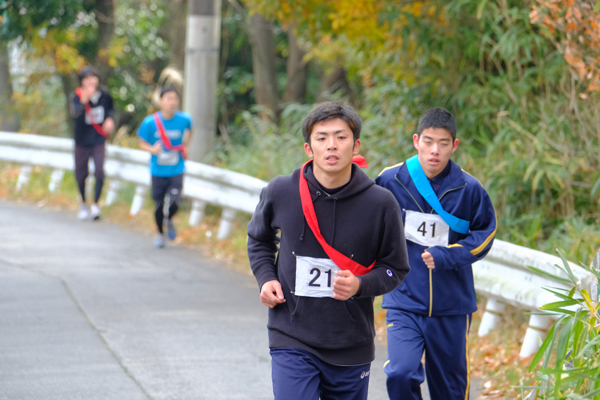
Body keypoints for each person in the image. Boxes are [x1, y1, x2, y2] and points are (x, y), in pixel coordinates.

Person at [247, 101, 410, 400]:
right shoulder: (281, 191)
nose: (331, 145)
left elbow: (395, 267)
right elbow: (259, 239)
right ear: (309, 148)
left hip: (351, 343)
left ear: (356, 145)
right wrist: (266, 277)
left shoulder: (381, 203)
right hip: (291, 334)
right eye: (321, 138)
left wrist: (361, 285)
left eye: (341, 137)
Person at [375, 107, 497, 399]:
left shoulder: (469, 188)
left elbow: (486, 233)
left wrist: (449, 256)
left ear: (454, 146)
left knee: (450, 391)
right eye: (428, 141)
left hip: (451, 304)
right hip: (404, 298)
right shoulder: (390, 180)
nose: (434, 151)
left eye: (443, 144)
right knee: (401, 373)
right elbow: (368, 221)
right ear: (416, 140)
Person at [137, 86, 192, 248]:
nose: (172, 102)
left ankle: (170, 219)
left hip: (176, 169)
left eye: (175, 99)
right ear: (160, 101)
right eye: (168, 98)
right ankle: (160, 233)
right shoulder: (150, 122)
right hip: (157, 170)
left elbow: (190, 131)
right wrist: (153, 149)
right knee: (159, 204)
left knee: (175, 200)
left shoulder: (185, 119)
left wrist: (186, 145)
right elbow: (141, 143)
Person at [69, 66, 115, 220]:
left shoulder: (104, 95)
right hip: (81, 141)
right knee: (81, 174)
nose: (90, 81)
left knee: (100, 171)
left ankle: (95, 204)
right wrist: (84, 101)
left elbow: (110, 111)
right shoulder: (76, 96)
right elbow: (74, 115)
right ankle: (83, 202)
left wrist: (109, 121)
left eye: (93, 77)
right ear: (81, 81)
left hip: (98, 140)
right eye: (86, 78)